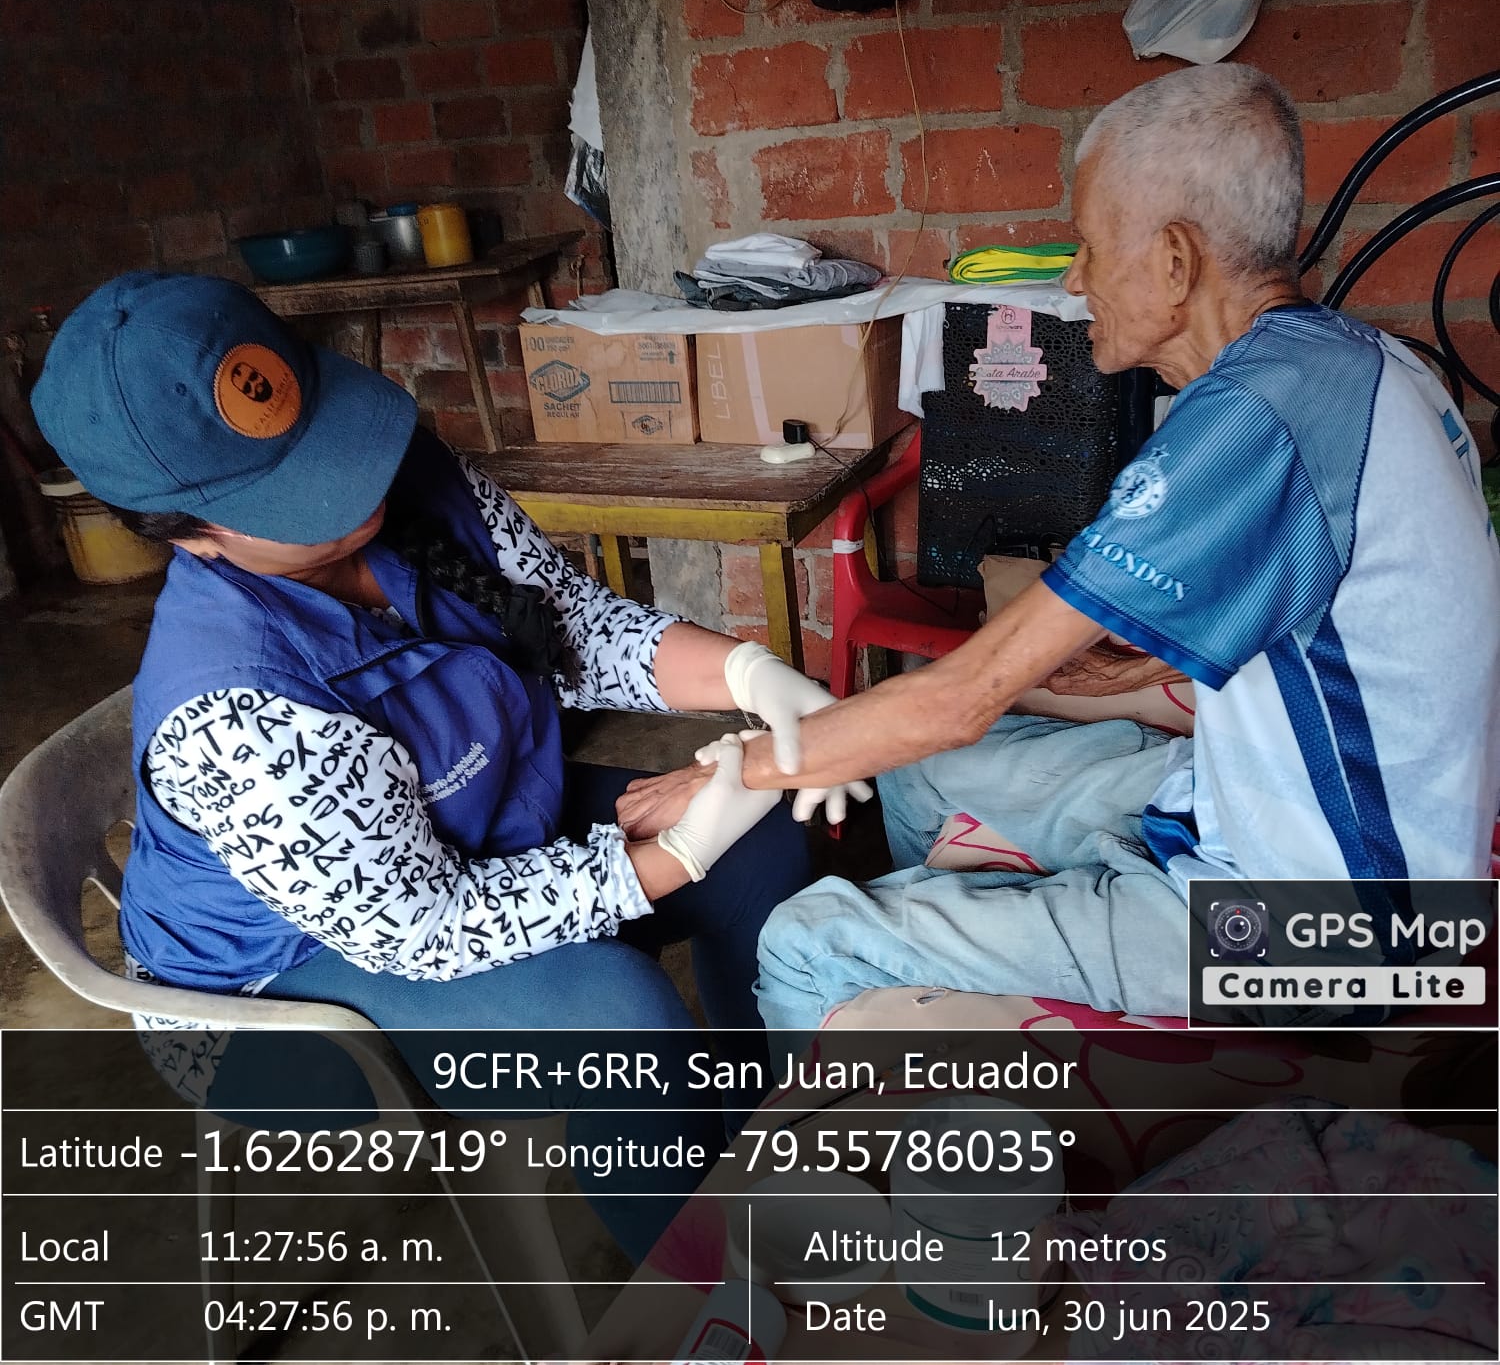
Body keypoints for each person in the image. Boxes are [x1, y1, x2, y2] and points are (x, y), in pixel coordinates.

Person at [30, 269, 866, 1257]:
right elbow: (422, 926)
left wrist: (748, 674)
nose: (355, 489)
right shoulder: (235, 708)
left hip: (460, 827)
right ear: (188, 538)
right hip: (270, 992)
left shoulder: (411, 479)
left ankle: (755, 1140)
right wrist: (669, 856)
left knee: (764, 838)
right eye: (296, 494)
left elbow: (566, 624)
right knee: (621, 1025)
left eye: (329, 438)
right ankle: (704, 1290)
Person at [715, 62, 1499, 1027]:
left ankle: (899, 1066)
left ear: (1174, 260)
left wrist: (730, 772)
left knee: (806, 942)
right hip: (1296, 822)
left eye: (1089, 245)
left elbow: (963, 698)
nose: (1075, 278)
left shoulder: (1257, 415)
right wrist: (1136, 664)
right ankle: (946, 994)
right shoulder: (1358, 363)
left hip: (1333, 932)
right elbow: (1337, 615)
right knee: (917, 777)